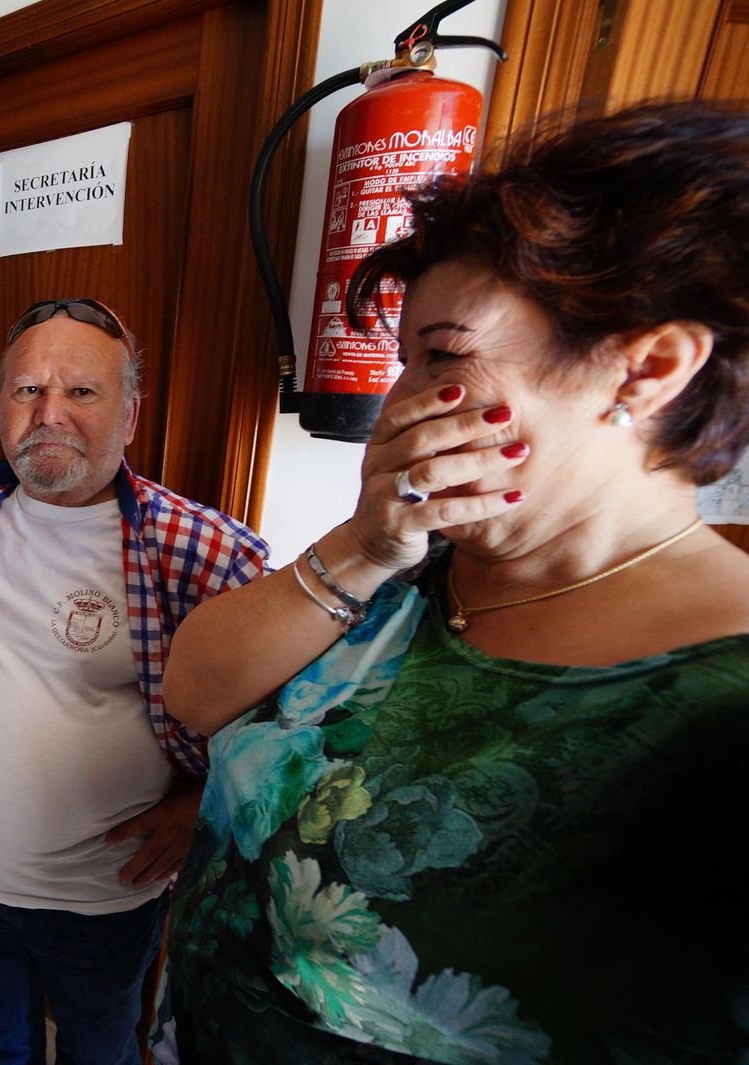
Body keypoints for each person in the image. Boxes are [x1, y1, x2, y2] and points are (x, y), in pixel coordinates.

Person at [160, 103, 749, 1063]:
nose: (401, 404)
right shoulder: (405, 565)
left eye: (444, 354)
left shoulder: (720, 709)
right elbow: (195, 691)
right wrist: (365, 543)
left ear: (646, 367)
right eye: (405, 364)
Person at [0, 298, 269, 1065]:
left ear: (131, 414)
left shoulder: (197, 545)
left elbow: (285, 715)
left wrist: (198, 802)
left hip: (98, 895)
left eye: (81, 391)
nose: (49, 413)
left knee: (97, 1050)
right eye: (26, 390)